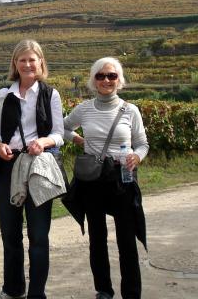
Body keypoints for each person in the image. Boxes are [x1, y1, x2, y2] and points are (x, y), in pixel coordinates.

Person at [63, 57, 149, 299]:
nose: (106, 80)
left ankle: (131, 293)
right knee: (97, 238)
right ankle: (104, 290)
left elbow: (142, 144)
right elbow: (63, 127)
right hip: (92, 180)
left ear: (119, 80)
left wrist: (137, 157)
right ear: (93, 80)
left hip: (122, 178)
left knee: (126, 240)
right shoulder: (85, 108)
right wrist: (78, 140)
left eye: (111, 76)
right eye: (100, 76)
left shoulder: (130, 110)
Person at [0, 39, 66, 299]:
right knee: (10, 234)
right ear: (15, 64)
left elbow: (59, 133)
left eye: (32, 59)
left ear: (41, 62)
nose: (28, 64)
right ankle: (13, 289)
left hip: (37, 168)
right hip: (8, 166)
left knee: (39, 235)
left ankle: (37, 294)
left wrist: (42, 142)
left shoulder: (50, 94)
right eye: (23, 60)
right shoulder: (3, 95)